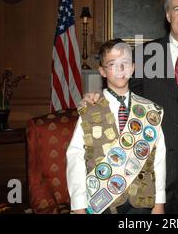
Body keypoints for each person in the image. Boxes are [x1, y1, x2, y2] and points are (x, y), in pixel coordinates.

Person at [83, 0, 178, 214]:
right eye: (177, 9)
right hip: (150, 169)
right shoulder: (145, 54)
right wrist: (98, 100)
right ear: (168, 15)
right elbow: (124, 95)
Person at [66, 39, 166, 214]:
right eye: (112, 64)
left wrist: (159, 203)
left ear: (133, 67)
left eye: (125, 63)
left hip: (141, 201)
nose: (120, 70)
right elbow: (75, 158)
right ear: (103, 71)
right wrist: (78, 205)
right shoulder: (90, 110)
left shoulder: (150, 112)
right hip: (102, 201)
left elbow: (159, 158)